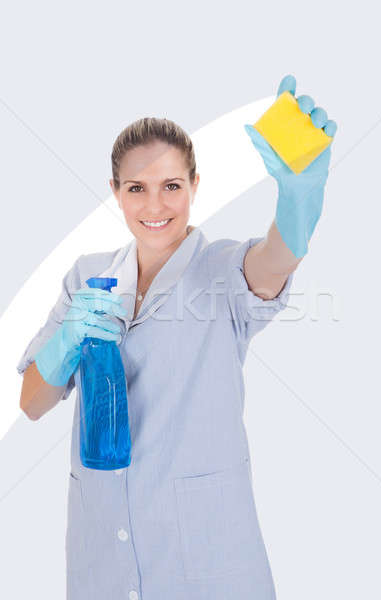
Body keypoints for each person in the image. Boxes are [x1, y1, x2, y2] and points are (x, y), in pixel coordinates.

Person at [17, 75, 336, 600]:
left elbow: (274, 261)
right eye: (135, 188)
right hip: (101, 557)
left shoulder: (221, 269)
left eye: (172, 186)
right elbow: (32, 404)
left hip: (206, 563)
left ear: (194, 185)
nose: (155, 206)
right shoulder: (86, 276)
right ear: (115, 192)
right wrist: (65, 340)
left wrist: (298, 203)